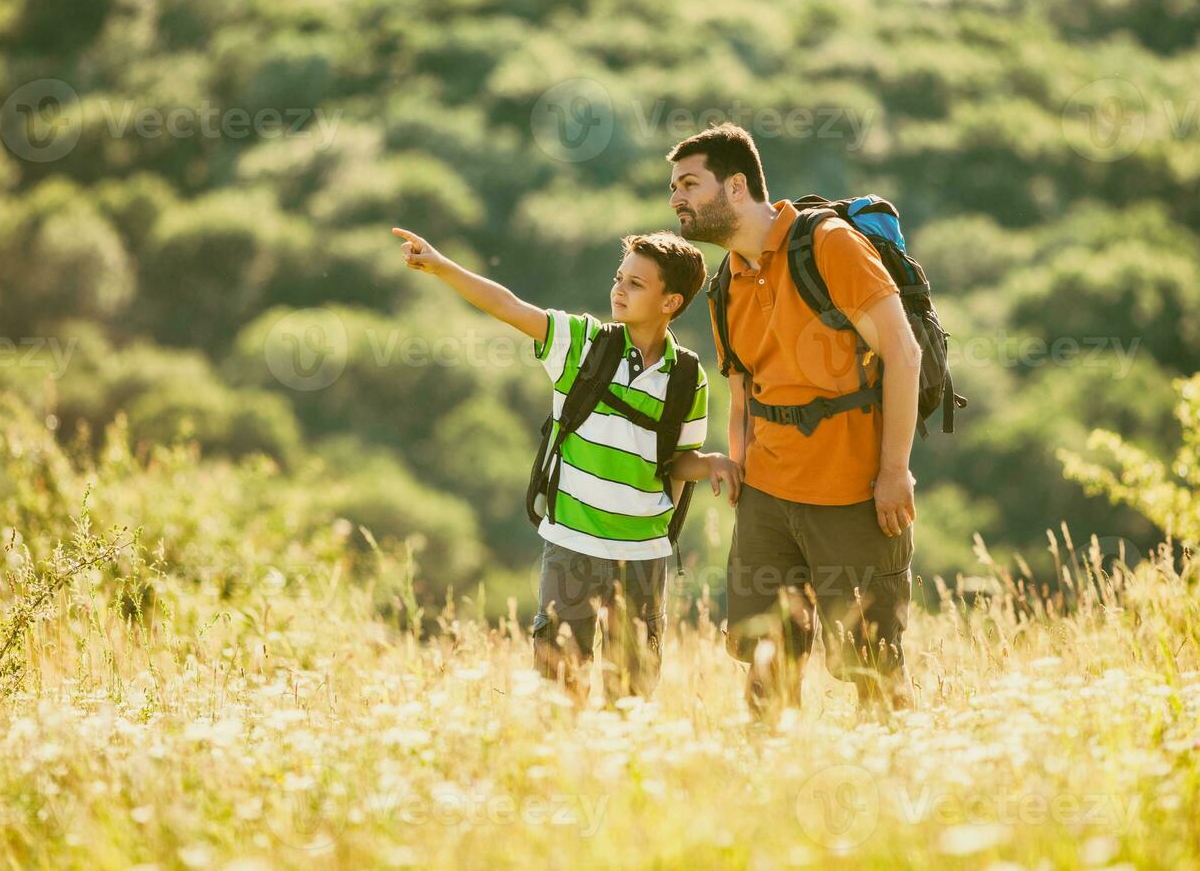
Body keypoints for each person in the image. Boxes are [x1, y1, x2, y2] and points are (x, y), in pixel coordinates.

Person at [391, 226, 740, 702]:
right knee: (559, 678)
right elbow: (509, 307)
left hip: (642, 553)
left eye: (637, 283)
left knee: (633, 688)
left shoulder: (687, 375)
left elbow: (676, 462)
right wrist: (442, 266)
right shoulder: (582, 343)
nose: (619, 288)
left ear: (671, 301)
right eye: (620, 277)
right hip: (571, 542)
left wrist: (712, 463)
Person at [667, 123, 922, 720]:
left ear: (735, 187)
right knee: (764, 663)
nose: (675, 199)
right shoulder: (724, 278)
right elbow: (742, 389)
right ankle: (763, 790)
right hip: (768, 502)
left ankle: (902, 783)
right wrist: (740, 468)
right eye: (673, 187)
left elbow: (903, 355)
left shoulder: (829, 245)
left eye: (688, 184)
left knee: (873, 666)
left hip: (854, 495)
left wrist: (895, 471)